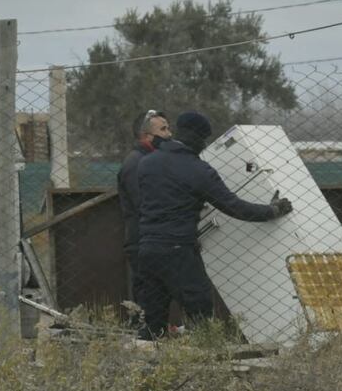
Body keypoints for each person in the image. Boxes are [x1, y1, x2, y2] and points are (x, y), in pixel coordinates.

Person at [135, 111, 293, 338]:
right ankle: (207, 357)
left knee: (153, 320)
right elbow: (234, 206)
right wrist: (272, 210)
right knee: (200, 310)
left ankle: (150, 361)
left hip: (148, 248)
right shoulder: (198, 170)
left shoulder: (147, 164)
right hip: (179, 249)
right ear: (199, 139)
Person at [117, 110, 172, 310]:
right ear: (147, 136)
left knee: (158, 292)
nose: (169, 134)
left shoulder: (151, 160)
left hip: (154, 238)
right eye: (163, 129)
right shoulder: (136, 163)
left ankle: (155, 333)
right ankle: (145, 334)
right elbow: (144, 204)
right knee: (148, 293)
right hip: (142, 240)